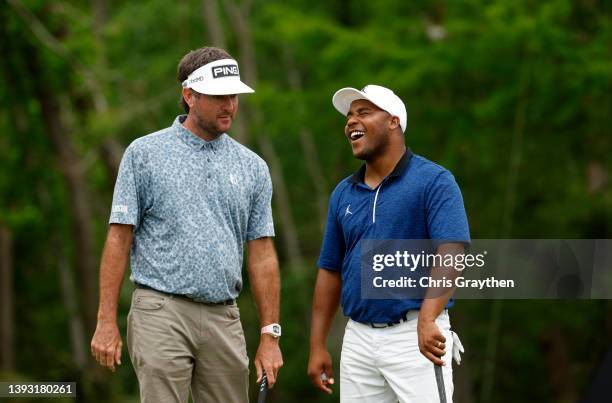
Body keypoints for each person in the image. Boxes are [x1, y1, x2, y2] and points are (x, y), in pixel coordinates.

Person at [90, 46, 283, 403]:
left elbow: (263, 254)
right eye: (218, 96)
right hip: (160, 311)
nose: (229, 105)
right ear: (189, 95)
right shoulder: (144, 154)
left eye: (233, 96)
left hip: (224, 316)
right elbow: (119, 239)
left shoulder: (253, 167)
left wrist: (270, 335)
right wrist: (105, 321)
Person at [308, 84, 469, 402]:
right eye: (349, 116)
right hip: (358, 339)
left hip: (416, 334)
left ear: (394, 121)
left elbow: (451, 253)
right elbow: (330, 270)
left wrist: (427, 317)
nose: (351, 121)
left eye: (364, 112)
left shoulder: (434, 181)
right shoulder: (343, 192)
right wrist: (317, 344)